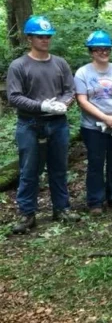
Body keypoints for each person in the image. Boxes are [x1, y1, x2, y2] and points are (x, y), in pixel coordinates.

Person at [7, 16, 77, 234]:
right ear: (29, 38)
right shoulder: (19, 65)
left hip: (57, 123)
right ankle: (27, 214)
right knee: (29, 170)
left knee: (59, 168)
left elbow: (70, 90)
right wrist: (41, 106)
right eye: (40, 36)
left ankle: (61, 208)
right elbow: (14, 96)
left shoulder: (60, 63)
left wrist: (63, 104)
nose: (45, 40)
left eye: (48, 36)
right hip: (29, 123)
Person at [75, 30, 112, 215]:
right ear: (91, 51)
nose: (103, 52)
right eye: (98, 49)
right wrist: (105, 118)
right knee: (96, 162)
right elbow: (82, 100)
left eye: (107, 49)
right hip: (93, 127)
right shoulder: (83, 73)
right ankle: (95, 201)